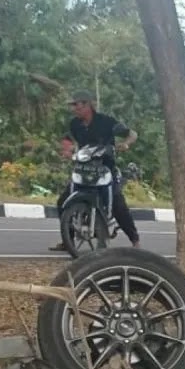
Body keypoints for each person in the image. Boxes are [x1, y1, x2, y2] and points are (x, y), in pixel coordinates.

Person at [53, 90, 140, 252]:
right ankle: (68, 240)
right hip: (83, 169)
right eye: (73, 105)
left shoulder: (106, 121)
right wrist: (67, 149)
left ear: (88, 105)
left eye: (77, 105)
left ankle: (135, 241)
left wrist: (126, 143)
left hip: (105, 169)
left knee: (118, 204)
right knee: (62, 202)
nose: (74, 109)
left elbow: (132, 134)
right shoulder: (75, 124)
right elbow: (67, 139)